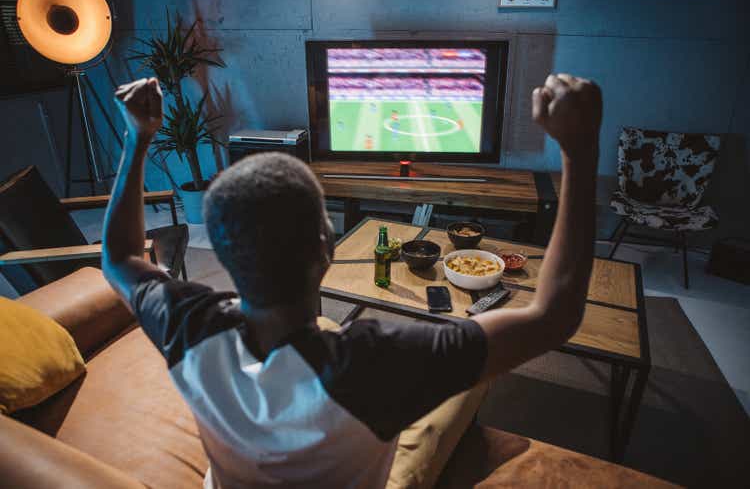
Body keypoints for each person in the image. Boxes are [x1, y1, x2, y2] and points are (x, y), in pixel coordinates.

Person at [102, 74, 602, 489]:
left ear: (222, 253)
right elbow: (555, 316)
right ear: (328, 247)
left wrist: (136, 137)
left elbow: (121, 255)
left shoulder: (188, 326)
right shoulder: (378, 364)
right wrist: (578, 152)